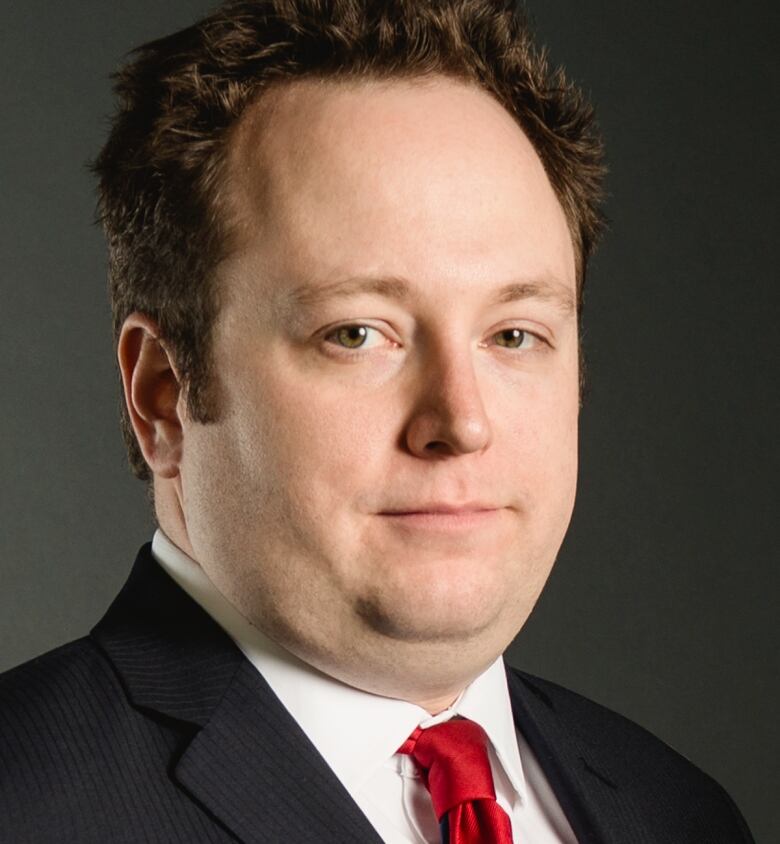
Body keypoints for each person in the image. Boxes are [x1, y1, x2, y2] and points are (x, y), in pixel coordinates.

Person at [0, 1, 754, 842]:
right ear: (165, 395)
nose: (461, 422)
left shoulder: (680, 813)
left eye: (513, 333)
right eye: (356, 334)